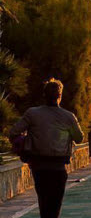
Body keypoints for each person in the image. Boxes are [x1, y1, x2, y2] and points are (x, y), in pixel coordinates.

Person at [9, 78, 83, 218]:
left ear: (44, 95)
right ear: (60, 96)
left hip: (39, 167)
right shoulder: (68, 116)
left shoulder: (32, 113)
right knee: (55, 205)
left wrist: (25, 141)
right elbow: (79, 138)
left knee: (43, 203)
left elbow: (13, 132)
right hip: (58, 167)